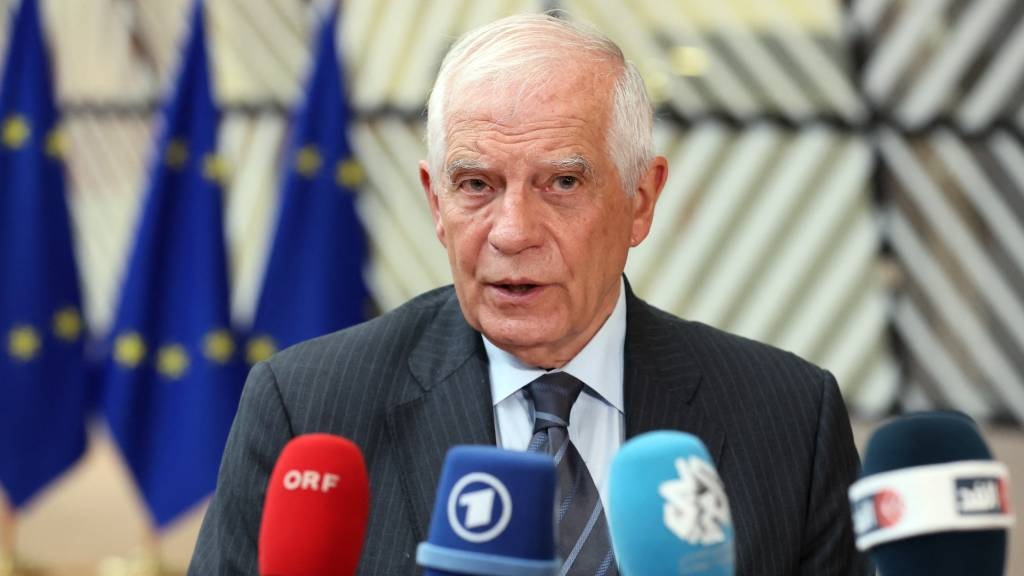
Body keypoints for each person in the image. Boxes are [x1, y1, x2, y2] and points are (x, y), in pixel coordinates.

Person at [190, 13, 869, 575]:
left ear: (641, 199)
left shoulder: (788, 418)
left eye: (563, 183)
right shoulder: (306, 407)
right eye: (477, 185)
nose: (512, 233)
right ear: (435, 201)